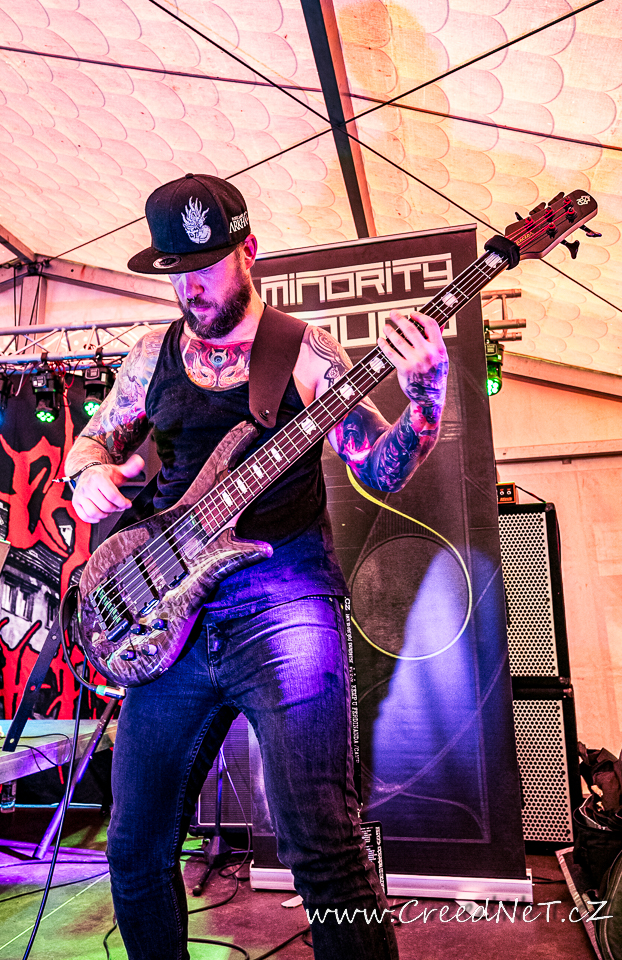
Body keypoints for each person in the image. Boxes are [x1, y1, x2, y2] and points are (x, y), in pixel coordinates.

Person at [65, 174, 448, 960]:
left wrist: (425, 402)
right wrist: (88, 472)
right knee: (133, 849)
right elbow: (94, 439)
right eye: (176, 271)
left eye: (204, 266)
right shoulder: (150, 356)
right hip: (166, 616)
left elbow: (377, 469)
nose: (191, 287)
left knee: (323, 846)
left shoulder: (304, 352)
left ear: (249, 252)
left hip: (282, 604)